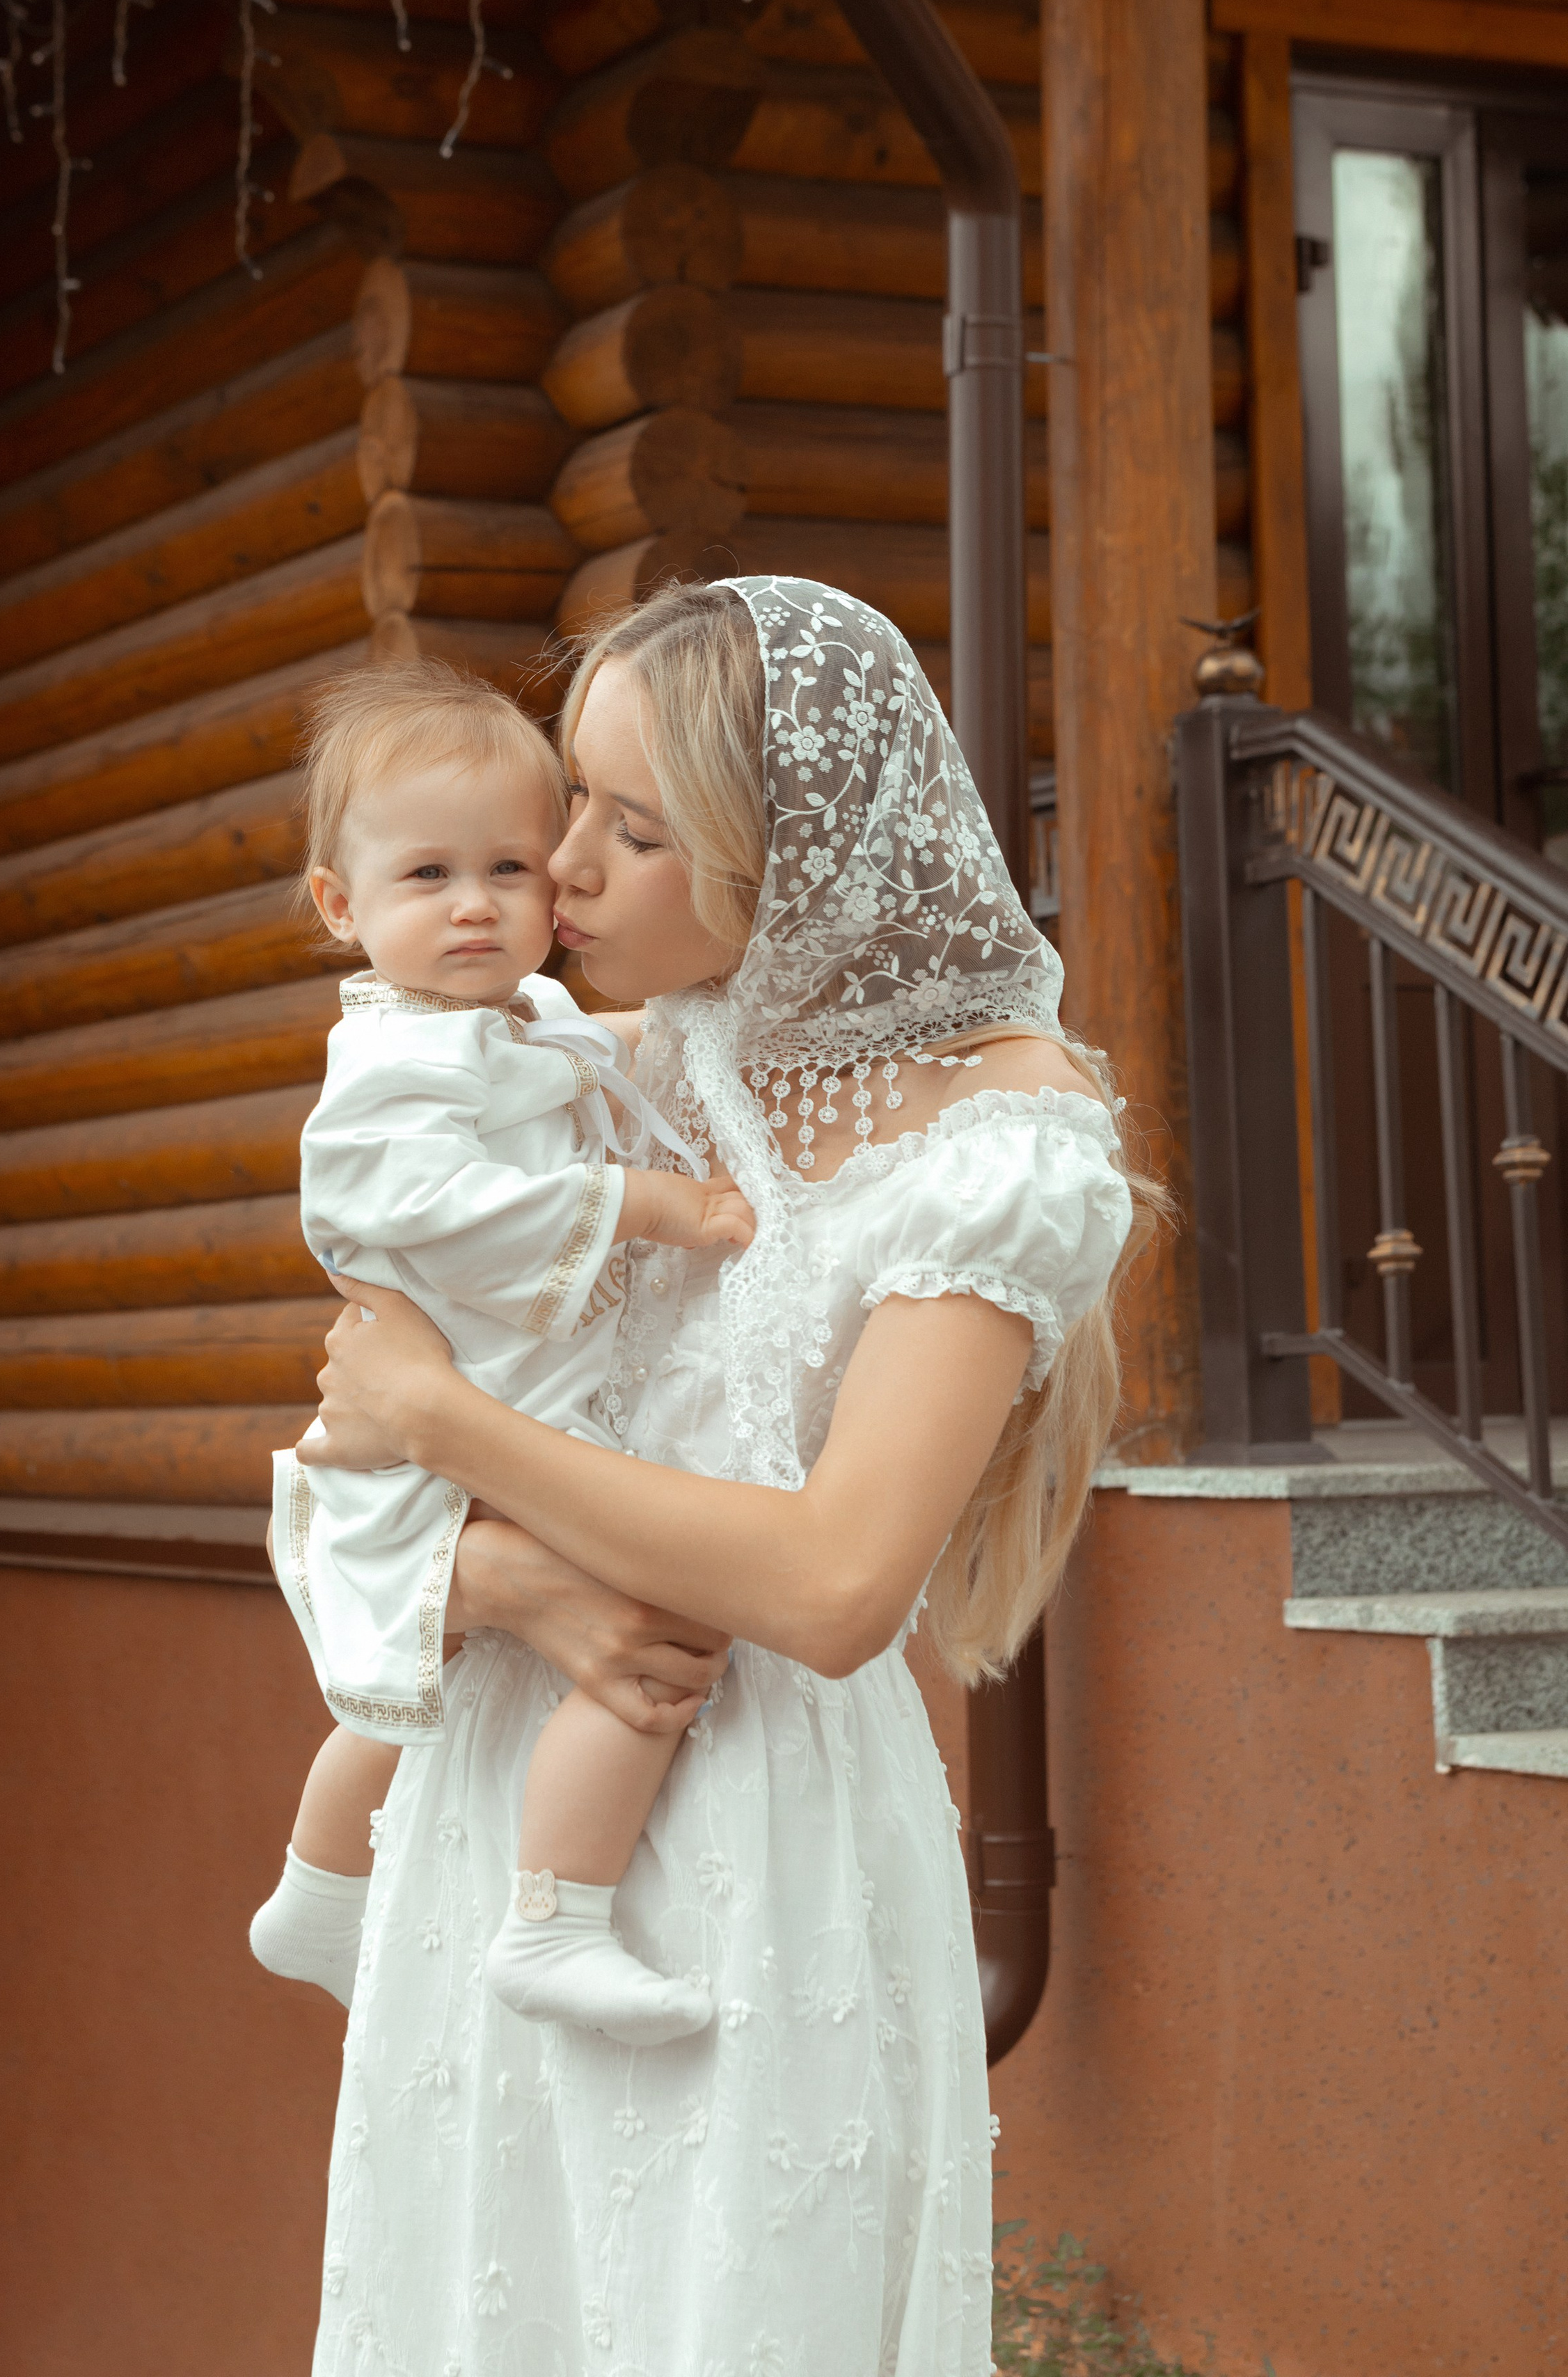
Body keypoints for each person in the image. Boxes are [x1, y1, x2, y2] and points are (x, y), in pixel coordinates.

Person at [297, 578, 1162, 2376]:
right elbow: (334, 1451)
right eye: (567, 814)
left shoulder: (1003, 1148)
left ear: (797, 849)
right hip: (506, 1794)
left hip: (759, 1835)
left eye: (630, 826)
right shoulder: (627, 1068)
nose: (561, 872)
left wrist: (456, 1436)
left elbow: (838, 1588)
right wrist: (497, 1578)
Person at [249, 661, 754, 2041]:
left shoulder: (517, 1018)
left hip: (508, 1406)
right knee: (652, 1648)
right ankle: (555, 1923)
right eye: (426, 876)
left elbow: (605, 1056)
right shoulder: (396, 1068)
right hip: (472, 1420)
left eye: (508, 869)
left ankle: (312, 1895)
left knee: (427, 1684)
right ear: (341, 906)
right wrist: (643, 1203)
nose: (473, 905)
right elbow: (416, 1209)